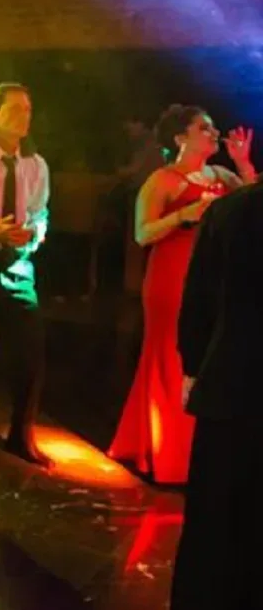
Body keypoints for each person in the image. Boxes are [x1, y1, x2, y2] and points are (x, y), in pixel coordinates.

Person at [108, 104, 255, 484]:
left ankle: (193, 451)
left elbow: (253, 204)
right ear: (180, 138)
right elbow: (143, 233)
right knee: (169, 358)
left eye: (212, 127)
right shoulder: (163, 179)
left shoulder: (221, 176)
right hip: (171, 276)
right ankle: (167, 454)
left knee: (204, 356)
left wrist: (243, 162)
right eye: (203, 128)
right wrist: (182, 216)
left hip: (210, 278)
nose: (213, 133)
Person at [171, 180, 263, 610]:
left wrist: (194, 368)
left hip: (228, 385)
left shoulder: (229, 212)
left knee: (215, 522)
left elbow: (197, 304)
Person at [0, 82, 51, 466]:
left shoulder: (35, 165)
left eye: (28, 109)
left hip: (17, 262)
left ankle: (22, 433)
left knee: (30, 346)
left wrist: (32, 234)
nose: (23, 117)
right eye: (14, 109)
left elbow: (40, 212)